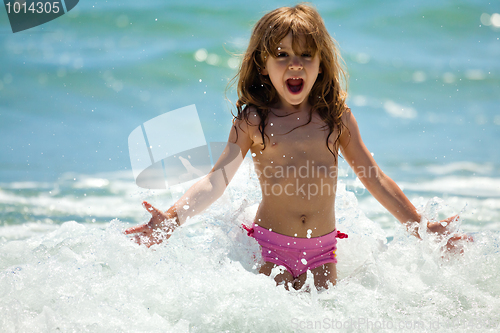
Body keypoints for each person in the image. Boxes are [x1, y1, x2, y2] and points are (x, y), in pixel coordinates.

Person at [124, 3, 470, 291]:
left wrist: (422, 227)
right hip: (270, 249)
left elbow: (373, 178)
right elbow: (216, 180)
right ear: (263, 64)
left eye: (306, 55)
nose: (295, 64)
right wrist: (172, 219)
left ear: (321, 66)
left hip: (322, 252)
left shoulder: (337, 119)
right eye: (282, 55)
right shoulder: (254, 122)